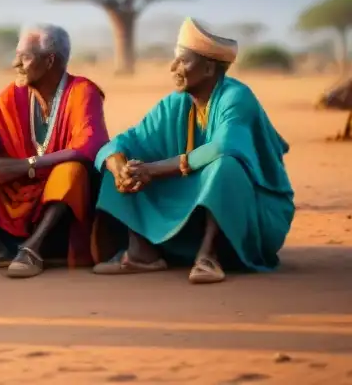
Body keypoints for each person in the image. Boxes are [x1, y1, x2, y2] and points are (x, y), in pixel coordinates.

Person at [92, 18, 294, 284]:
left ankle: (209, 256)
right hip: (195, 207)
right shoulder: (175, 104)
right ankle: (142, 254)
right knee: (123, 167)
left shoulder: (237, 97)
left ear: (209, 68)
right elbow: (120, 142)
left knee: (225, 166)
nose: (173, 68)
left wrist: (152, 170)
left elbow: (225, 146)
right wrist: (119, 164)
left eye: (183, 61)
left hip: (254, 212)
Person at [0, 24, 109, 278]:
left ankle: (33, 248)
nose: (15, 63)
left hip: (57, 191)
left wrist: (25, 164)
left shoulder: (83, 91)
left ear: (49, 60)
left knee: (71, 171)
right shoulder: (15, 93)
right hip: (20, 185)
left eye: (24, 56)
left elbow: (87, 148)